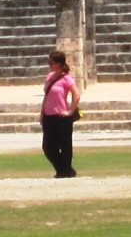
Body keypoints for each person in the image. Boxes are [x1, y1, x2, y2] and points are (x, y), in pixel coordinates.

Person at [40, 50, 82, 179]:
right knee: (48, 147)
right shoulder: (50, 77)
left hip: (61, 117)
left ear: (58, 64)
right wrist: (42, 113)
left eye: (51, 62)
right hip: (48, 115)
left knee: (64, 146)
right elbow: (46, 96)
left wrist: (70, 110)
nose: (49, 65)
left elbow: (76, 94)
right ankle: (65, 169)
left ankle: (64, 172)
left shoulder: (66, 78)